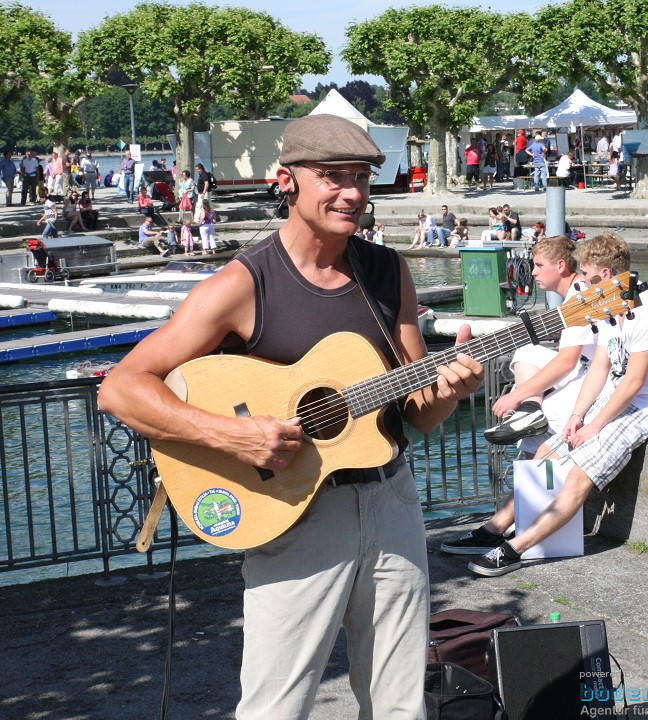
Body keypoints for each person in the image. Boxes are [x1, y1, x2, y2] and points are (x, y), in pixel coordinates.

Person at [97, 112, 483, 720]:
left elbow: (421, 414)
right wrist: (234, 435)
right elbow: (121, 389)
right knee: (278, 706)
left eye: (361, 176)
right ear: (288, 179)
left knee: (401, 702)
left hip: (393, 501)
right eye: (333, 176)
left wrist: (453, 388)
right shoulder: (243, 283)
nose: (352, 192)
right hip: (294, 512)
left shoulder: (388, 273)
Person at [445, 233, 648, 577]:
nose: (581, 281)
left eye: (585, 274)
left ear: (605, 274)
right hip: (618, 398)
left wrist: (594, 426)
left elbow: (633, 383)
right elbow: (601, 367)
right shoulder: (611, 304)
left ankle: (514, 549)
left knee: (576, 476)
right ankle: (495, 530)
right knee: (544, 457)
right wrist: (576, 416)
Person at [455, 235, 594, 460]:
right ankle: (530, 410)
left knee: (537, 434)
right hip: (585, 369)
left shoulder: (577, 298)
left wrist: (516, 395)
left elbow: (568, 361)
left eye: (539, 265)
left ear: (561, 266)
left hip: (592, 377)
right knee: (527, 351)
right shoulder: (576, 291)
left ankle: (534, 476)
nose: (534, 272)